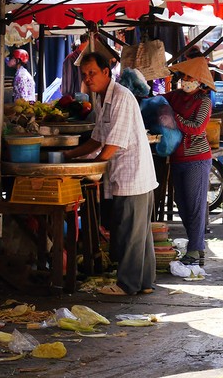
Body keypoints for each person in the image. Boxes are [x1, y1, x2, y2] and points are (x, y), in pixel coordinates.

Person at [64, 52, 158, 296]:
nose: (88, 79)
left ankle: (127, 284)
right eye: (85, 75)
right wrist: (69, 155)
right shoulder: (102, 99)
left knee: (130, 233)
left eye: (92, 73)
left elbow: (112, 145)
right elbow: (97, 139)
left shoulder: (122, 97)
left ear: (106, 72)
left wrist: (93, 168)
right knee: (139, 233)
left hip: (133, 175)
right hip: (127, 175)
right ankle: (145, 283)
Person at [164, 56, 215, 267]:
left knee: (194, 205)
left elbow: (196, 128)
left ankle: (195, 249)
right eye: (184, 76)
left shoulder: (203, 101)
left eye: (190, 77)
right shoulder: (174, 97)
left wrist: (172, 118)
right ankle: (196, 246)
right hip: (177, 157)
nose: (185, 80)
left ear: (200, 81)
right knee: (182, 205)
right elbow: (156, 103)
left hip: (197, 159)